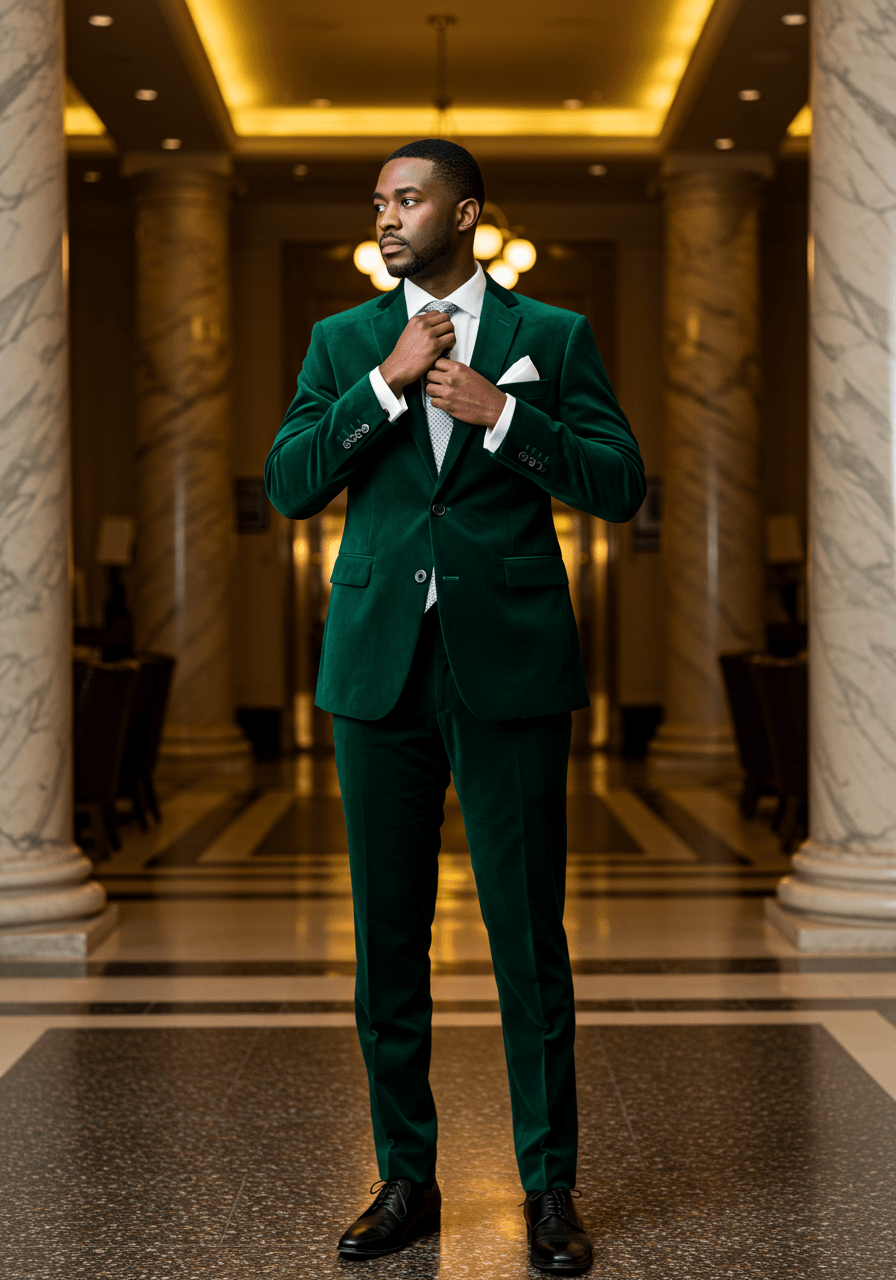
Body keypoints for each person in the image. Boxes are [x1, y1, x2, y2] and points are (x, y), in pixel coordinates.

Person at [265, 138, 645, 1274]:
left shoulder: (551, 336)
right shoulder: (343, 340)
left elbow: (619, 483)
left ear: (467, 212)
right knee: (386, 942)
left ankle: (548, 1188)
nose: (386, 216)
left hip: (509, 665)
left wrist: (503, 417)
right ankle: (406, 1179)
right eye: (378, 201)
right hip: (376, 667)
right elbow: (290, 483)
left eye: (408, 198)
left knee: (528, 939)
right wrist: (385, 384)